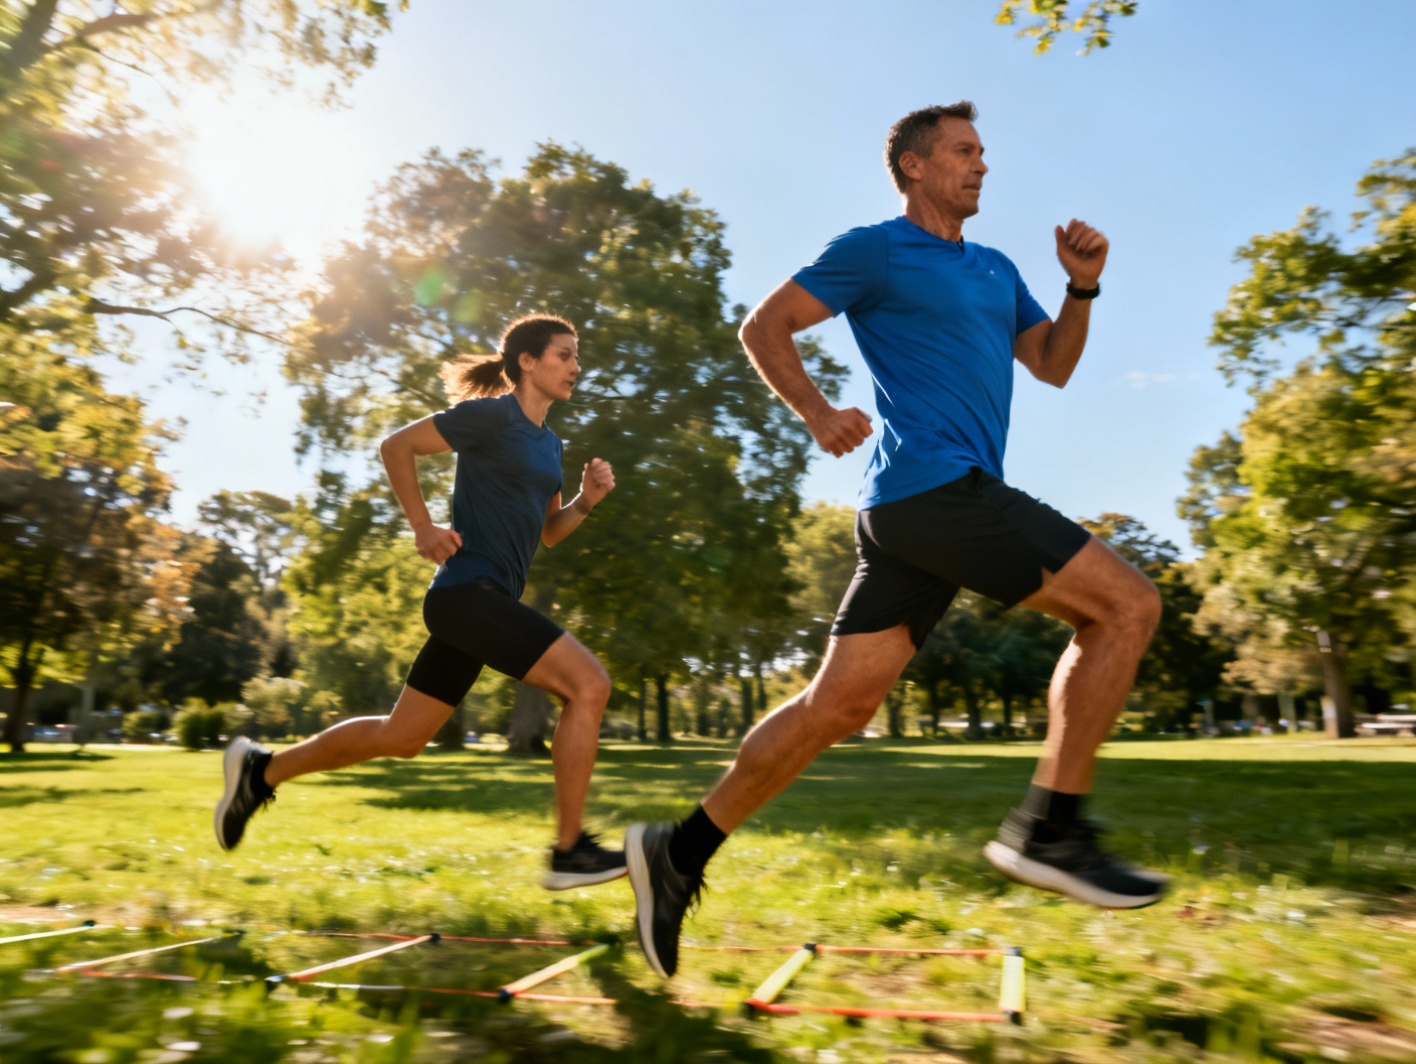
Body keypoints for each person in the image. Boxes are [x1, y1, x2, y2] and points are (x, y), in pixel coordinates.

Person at [625, 102, 1168, 978]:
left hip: (918, 514)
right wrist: (815, 412)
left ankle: (676, 852)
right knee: (1126, 606)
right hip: (936, 490)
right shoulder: (875, 249)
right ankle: (1051, 829)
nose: (981, 165)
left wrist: (1081, 287)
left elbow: (1053, 365)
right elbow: (764, 325)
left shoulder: (996, 268)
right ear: (914, 165)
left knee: (836, 710)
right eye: (963, 151)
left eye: (983, 153)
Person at [215, 314, 626, 891]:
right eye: (565, 355)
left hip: (482, 606)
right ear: (528, 362)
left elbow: (549, 533)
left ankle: (261, 772)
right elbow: (397, 446)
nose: (576, 367)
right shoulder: (492, 416)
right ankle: (569, 851)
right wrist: (422, 527)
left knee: (403, 737)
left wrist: (585, 501)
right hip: (467, 594)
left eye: (577, 357)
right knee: (589, 685)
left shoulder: (550, 444)